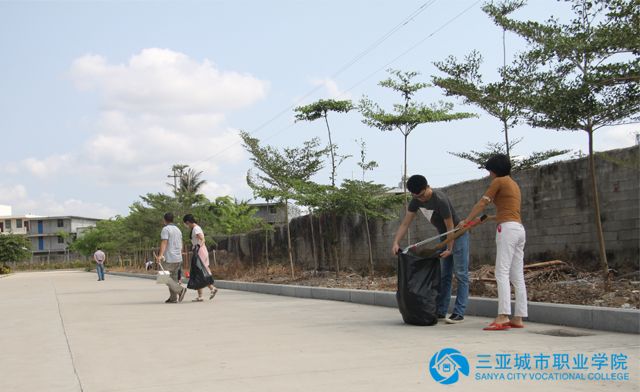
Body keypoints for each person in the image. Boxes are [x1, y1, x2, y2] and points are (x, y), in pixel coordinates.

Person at [459, 154, 527, 331]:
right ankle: (518, 317)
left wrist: (466, 221)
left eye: (490, 171)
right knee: (517, 276)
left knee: (501, 272)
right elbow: (509, 211)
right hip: (519, 229)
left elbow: (482, 203)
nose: (489, 174)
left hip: (507, 230)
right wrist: (491, 218)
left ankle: (503, 316)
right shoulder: (513, 183)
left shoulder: (499, 181)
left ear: (494, 170)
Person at [391, 175, 470, 324]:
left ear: (428, 187)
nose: (420, 199)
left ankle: (459, 312)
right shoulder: (415, 201)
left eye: (422, 195)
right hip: (444, 237)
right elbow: (405, 224)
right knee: (444, 275)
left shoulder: (440, 199)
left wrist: (449, 247)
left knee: (461, 274)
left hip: (457, 235)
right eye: (416, 197)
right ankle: (441, 310)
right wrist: (396, 242)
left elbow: (450, 226)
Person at [183, 214, 218, 302]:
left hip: (200, 251)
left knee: (201, 271)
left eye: (185, 223)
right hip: (197, 251)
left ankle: (212, 288)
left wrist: (198, 246)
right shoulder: (194, 229)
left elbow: (202, 239)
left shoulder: (196, 228)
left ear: (187, 222)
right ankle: (200, 296)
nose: (185, 225)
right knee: (197, 272)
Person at [155, 212, 187, 303]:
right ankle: (173, 298)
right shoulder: (178, 229)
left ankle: (180, 290)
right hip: (178, 258)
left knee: (163, 277)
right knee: (173, 279)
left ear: (164, 220)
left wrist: (160, 255)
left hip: (169, 257)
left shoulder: (166, 229)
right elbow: (181, 243)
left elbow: (164, 242)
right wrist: (180, 252)